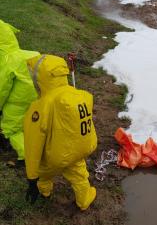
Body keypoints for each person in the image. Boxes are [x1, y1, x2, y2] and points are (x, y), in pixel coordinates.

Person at [24, 54, 98, 210]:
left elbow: (33, 144)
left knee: (44, 175)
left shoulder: (41, 106)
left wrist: (31, 178)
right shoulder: (82, 95)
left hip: (54, 157)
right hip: (79, 151)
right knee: (79, 176)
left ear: (41, 79)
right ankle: (84, 200)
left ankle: (45, 191)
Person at [0, 19, 39, 164]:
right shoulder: (29, 54)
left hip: (17, 101)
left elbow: (2, 89)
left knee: (11, 128)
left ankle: (27, 157)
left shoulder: (6, 60)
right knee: (32, 123)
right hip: (37, 95)